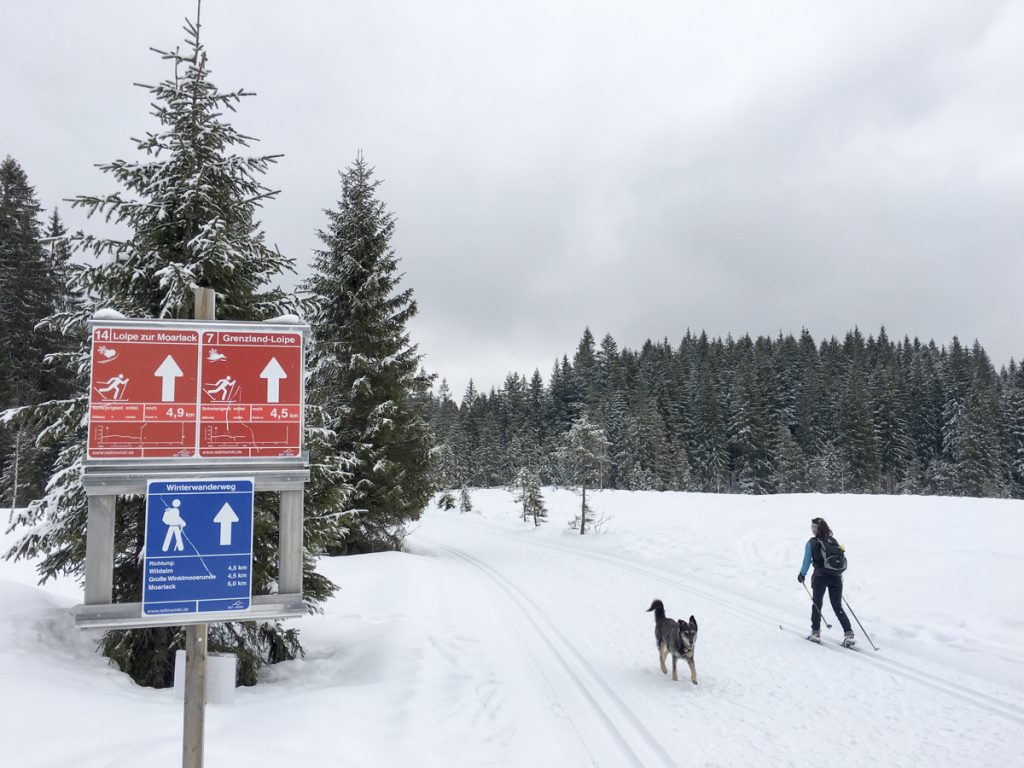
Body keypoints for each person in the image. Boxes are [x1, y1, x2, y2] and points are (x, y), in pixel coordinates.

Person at [797, 517, 854, 645]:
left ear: (816, 529)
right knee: (837, 606)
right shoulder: (833, 541)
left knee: (817, 604)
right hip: (836, 577)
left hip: (820, 577)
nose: (812, 530)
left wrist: (802, 574)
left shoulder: (811, 543)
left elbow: (806, 562)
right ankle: (849, 634)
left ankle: (815, 633)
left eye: (813, 527)